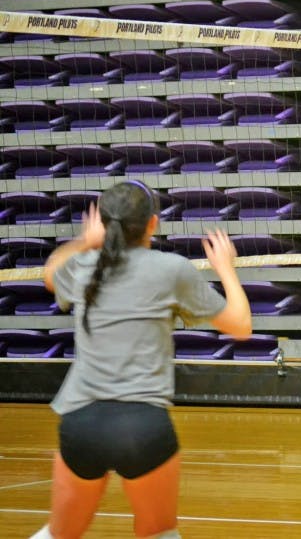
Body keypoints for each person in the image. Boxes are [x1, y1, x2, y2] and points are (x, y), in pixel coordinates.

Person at [31, 180, 251, 539]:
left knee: (60, 534)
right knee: (158, 532)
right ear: (153, 223)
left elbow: (50, 274)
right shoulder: (171, 269)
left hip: (81, 422)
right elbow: (240, 326)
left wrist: (85, 242)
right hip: (142, 426)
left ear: (104, 223)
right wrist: (225, 268)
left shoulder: (85, 264)